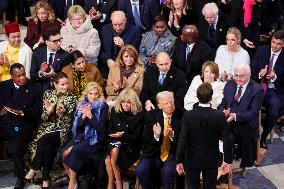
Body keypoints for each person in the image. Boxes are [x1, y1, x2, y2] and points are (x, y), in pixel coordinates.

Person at [24, 72, 77, 189]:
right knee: (47, 148)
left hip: (63, 130)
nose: (65, 87)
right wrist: (48, 111)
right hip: (47, 128)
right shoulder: (48, 94)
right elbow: (43, 117)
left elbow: (69, 117)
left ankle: (33, 169)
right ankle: (46, 182)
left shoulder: (71, 97)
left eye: (66, 84)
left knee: (43, 140)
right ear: (55, 84)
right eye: (62, 84)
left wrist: (60, 113)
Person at [176, 83, 232, 189]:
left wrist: (179, 160)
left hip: (192, 159)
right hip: (211, 159)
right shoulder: (219, 116)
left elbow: (182, 139)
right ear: (211, 98)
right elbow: (226, 139)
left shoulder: (188, 115)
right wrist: (227, 161)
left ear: (197, 97)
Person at [0, 63, 42, 189]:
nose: (22, 78)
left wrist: (21, 112)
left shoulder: (35, 88)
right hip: (3, 122)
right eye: (18, 76)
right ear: (12, 76)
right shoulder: (3, 86)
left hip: (22, 123)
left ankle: (20, 176)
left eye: (23, 74)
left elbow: (37, 111)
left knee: (15, 144)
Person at [218, 63, 263, 177]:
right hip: (229, 121)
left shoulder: (256, 89)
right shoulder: (230, 84)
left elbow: (252, 113)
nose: (238, 79)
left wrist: (235, 115)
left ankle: (227, 164)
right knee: (218, 132)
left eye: (242, 76)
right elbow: (223, 103)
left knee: (229, 136)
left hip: (246, 124)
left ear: (249, 75)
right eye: (236, 75)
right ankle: (223, 163)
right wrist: (223, 110)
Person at [61, 82, 109, 189]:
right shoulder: (82, 104)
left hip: (96, 138)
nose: (93, 97)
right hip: (83, 135)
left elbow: (100, 128)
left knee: (73, 152)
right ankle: (74, 180)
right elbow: (77, 128)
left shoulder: (103, 106)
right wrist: (83, 117)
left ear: (99, 94)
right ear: (86, 94)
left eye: (95, 94)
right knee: (63, 153)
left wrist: (91, 116)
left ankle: (72, 183)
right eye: (90, 94)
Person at [136, 91, 183, 189]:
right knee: (141, 170)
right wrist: (156, 135)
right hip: (154, 153)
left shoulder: (182, 115)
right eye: (166, 103)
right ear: (159, 105)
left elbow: (184, 141)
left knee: (167, 172)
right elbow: (145, 140)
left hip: (172, 154)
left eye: (171, 102)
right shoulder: (151, 116)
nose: (170, 105)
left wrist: (172, 135)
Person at [250, 30, 284, 149]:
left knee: (274, 110)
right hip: (257, 87)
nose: (274, 45)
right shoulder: (261, 50)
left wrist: (275, 77)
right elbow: (252, 68)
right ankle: (249, 137)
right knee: (247, 106)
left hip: (273, 90)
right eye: (273, 42)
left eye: (278, 43)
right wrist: (260, 73)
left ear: (283, 44)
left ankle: (263, 138)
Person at [105, 89, 144, 189]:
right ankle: (117, 182)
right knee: (112, 151)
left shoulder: (139, 114)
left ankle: (116, 182)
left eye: (128, 102)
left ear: (133, 103)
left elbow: (138, 137)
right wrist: (115, 135)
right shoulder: (115, 110)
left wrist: (123, 135)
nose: (125, 105)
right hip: (114, 141)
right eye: (123, 102)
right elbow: (109, 130)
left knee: (113, 154)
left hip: (130, 145)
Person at [100, 11, 141, 78]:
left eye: (120, 24)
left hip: (127, 66)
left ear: (125, 21)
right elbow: (101, 50)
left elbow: (136, 53)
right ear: (111, 21)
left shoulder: (134, 31)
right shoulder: (105, 29)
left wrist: (124, 45)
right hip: (107, 66)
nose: (118, 28)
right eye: (115, 25)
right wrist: (108, 60)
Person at [30, 27, 69, 91]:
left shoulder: (65, 56)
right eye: (55, 41)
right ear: (47, 42)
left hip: (57, 91)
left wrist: (54, 75)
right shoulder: (37, 52)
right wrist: (40, 73)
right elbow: (32, 75)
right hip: (40, 89)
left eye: (59, 39)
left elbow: (66, 79)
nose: (59, 43)